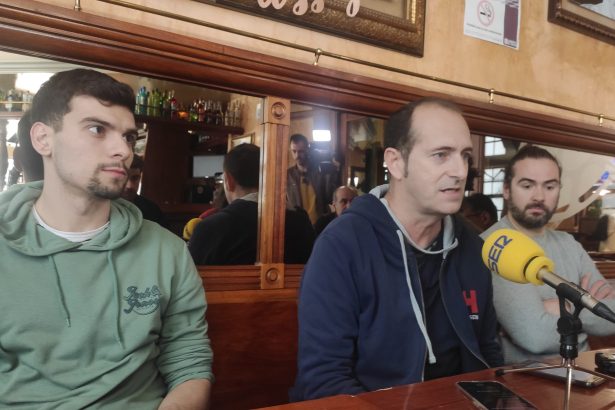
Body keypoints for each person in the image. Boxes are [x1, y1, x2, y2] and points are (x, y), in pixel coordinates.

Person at [0, 69, 213, 409]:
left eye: (129, 137)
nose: (124, 151)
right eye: (97, 129)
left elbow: (188, 361)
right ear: (43, 139)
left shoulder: (166, 250)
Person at [291, 97, 503, 401]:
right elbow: (324, 379)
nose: (460, 171)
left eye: (465, 155)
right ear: (395, 162)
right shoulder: (342, 245)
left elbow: (487, 351)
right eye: (441, 155)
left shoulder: (471, 246)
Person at [481, 145, 615, 364]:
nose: (539, 196)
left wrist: (563, 306)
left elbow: (610, 319)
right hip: (527, 381)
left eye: (550, 186)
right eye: (527, 185)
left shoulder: (568, 243)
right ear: (506, 190)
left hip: (587, 372)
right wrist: (583, 301)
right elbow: (534, 335)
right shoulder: (495, 244)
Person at [189, 143, 315, 265]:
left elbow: (191, 283)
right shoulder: (301, 222)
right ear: (268, 177)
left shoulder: (208, 229)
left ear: (228, 181)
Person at [286, 133, 337, 224]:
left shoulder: (321, 172)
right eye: (294, 151)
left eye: (301, 151)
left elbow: (331, 198)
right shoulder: (288, 175)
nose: (297, 155)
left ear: (307, 150)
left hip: (320, 225)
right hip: (298, 226)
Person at [121, 154, 167, 227]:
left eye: (135, 178)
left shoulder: (152, 210)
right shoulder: (100, 207)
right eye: (123, 178)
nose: (130, 186)